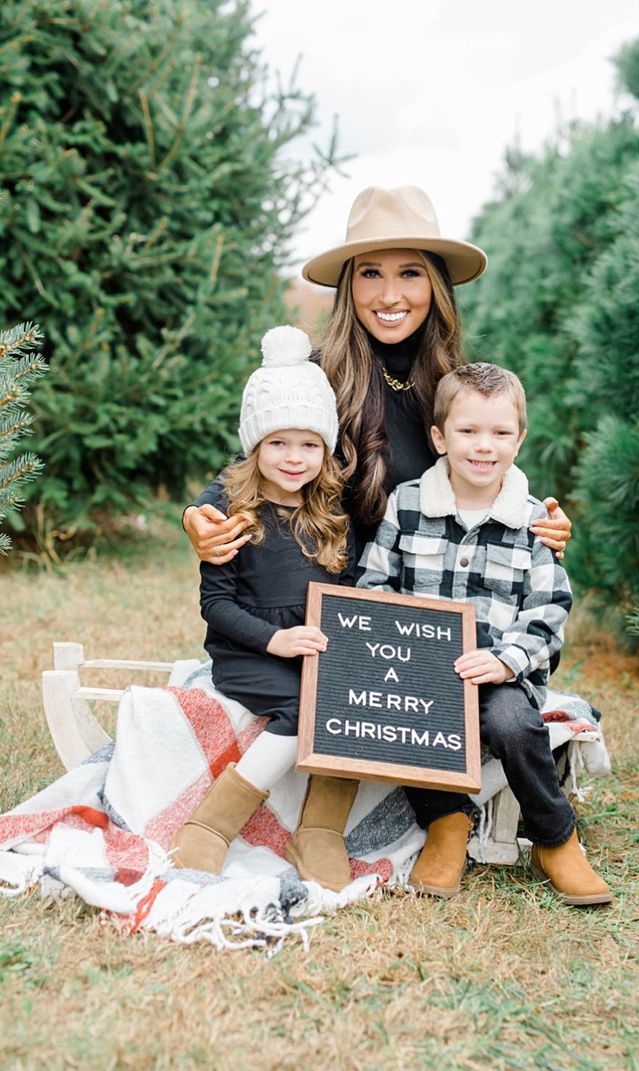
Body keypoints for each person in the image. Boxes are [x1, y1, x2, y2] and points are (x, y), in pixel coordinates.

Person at [182, 185, 574, 891]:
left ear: (436, 284)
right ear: (348, 286)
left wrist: (538, 520)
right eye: (370, 272)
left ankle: (436, 818)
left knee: (417, 677)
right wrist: (199, 514)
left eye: (409, 272)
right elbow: (259, 459)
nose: (389, 292)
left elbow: (492, 463)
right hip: (334, 588)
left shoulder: (454, 384)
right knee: (334, 681)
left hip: (425, 602)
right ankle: (260, 823)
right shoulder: (322, 376)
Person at [357, 363, 612, 906]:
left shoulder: (531, 520)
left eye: (500, 433)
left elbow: (549, 607)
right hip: (422, 667)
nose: (483, 446)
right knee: (413, 716)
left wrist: (504, 660)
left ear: (520, 438)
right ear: (439, 437)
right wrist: (408, 643)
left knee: (514, 724)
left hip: (501, 672)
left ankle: (554, 836)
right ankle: (447, 820)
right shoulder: (405, 506)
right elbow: (375, 583)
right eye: (468, 431)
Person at [171, 325, 361, 891]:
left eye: (308, 444)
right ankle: (210, 825)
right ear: (254, 447)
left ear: (325, 449)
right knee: (303, 708)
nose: (294, 458)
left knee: (347, 702)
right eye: (278, 443)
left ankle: (321, 829)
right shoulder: (235, 514)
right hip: (250, 651)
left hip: (315, 647)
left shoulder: (334, 515)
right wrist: (274, 640)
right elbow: (216, 605)